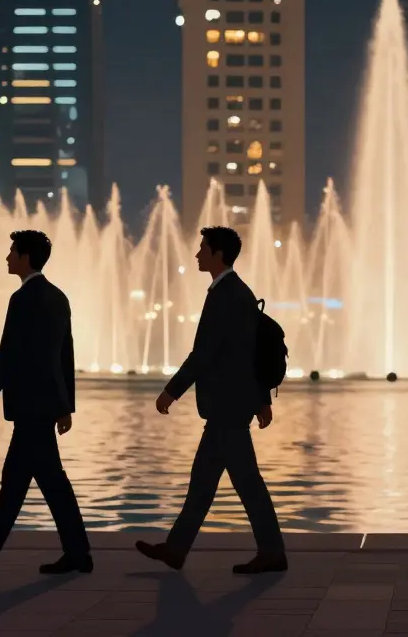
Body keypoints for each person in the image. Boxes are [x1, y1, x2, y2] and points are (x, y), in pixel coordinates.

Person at [135, 226, 286, 575]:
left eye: (202, 248)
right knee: (207, 482)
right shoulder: (235, 292)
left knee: (241, 483)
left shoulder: (228, 294)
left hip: (228, 407)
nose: (197, 253)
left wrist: (172, 390)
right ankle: (176, 549)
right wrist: (262, 400)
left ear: (218, 254)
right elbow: (248, 353)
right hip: (231, 405)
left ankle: (271, 552)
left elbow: (205, 353)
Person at [0, 230, 92, 574]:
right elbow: (66, 355)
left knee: (48, 481)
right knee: (19, 479)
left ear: (25, 257)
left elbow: (9, 354)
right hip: (46, 405)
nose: (7, 257)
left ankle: (76, 554)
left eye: (12, 251)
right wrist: (66, 405)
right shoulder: (58, 297)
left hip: (31, 406)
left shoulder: (22, 300)